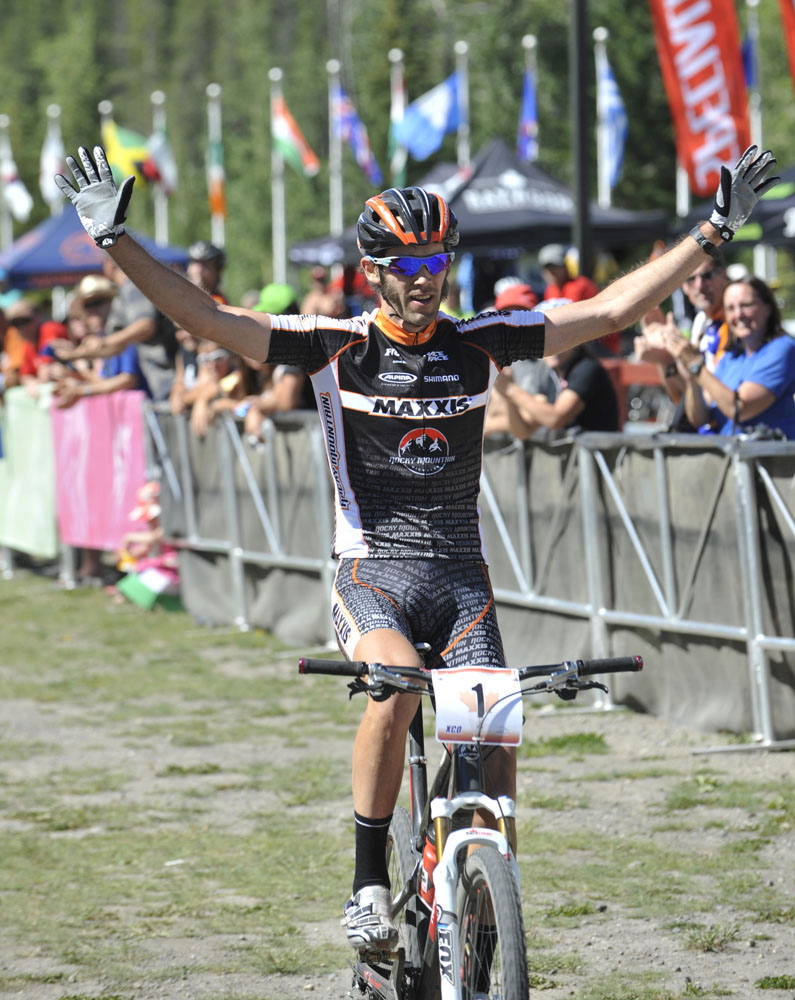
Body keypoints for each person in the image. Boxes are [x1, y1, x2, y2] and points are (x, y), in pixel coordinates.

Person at [55, 142, 777, 951]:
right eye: (404, 261)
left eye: (434, 257)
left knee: (494, 735)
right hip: (371, 573)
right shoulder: (334, 344)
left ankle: (472, 880)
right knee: (396, 689)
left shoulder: (479, 342)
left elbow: (609, 311)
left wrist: (713, 229)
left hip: (462, 580)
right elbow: (209, 320)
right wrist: (115, 243)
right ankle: (367, 881)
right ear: (373, 270)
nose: (422, 274)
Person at [662, 276, 795, 439]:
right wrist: (691, 376)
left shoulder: (782, 349)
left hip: (766, 460)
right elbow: (700, 418)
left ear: (767, 308)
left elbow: (739, 409)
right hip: (728, 458)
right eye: (731, 308)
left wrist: (696, 364)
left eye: (746, 305)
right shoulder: (731, 356)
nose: (738, 314)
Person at [52, 256, 177, 401]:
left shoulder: (132, 287)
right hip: (160, 392)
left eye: (98, 302)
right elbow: (111, 353)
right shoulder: (116, 328)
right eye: (87, 306)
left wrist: (83, 389)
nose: (93, 311)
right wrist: (74, 356)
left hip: (170, 386)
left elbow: (145, 326)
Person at [634, 250, 730, 427]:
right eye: (690, 279)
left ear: (723, 275)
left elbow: (720, 397)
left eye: (707, 275)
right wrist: (665, 360)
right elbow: (683, 397)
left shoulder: (735, 321)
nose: (699, 285)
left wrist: (683, 358)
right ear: (684, 287)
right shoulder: (702, 321)